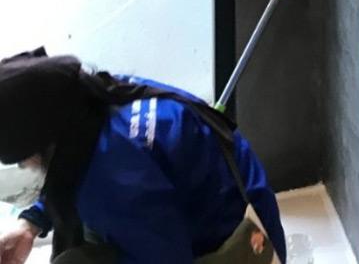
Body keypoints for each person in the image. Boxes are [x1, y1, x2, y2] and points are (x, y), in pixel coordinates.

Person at [0, 49, 286, 264]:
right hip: (236, 198)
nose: (25, 165)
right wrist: (31, 224)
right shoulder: (96, 94)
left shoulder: (114, 181)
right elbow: (66, 167)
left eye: (23, 158)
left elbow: (168, 259)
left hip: (246, 245)